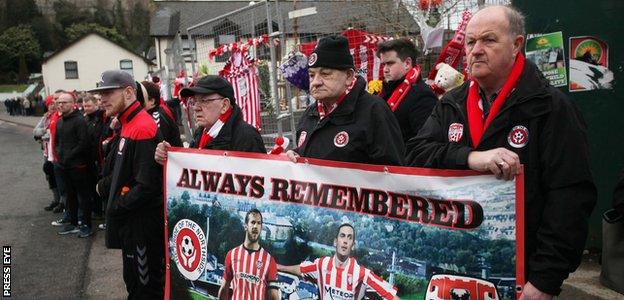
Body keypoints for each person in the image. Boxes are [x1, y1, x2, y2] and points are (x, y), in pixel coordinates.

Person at [406, 5, 596, 298]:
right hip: (458, 262)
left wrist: (545, 279)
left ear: (517, 45)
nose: (476, 50)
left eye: (489, 40)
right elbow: (416, 153)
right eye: (471, 42)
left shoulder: (550, 108)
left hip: (524, 277)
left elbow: (570, 199)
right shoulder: (451, 103)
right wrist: (471, 157)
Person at [90, 70, 164, 298]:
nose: (101, 99)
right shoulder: (127, 124)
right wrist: (106, 187)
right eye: (100, 94)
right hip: (132, 225)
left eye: (108, 93)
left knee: (144, 289)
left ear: (129, 92)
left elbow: (147, 186)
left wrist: (115, 205)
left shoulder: (141, 127)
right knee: (133, 283)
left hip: (141, 227)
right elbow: (125, 172)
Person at [285, 35, 404, 166]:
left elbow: (393, 173)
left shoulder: (374, 111)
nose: (315, 82)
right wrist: (297, 154)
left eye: (325, 74)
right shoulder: (310, 113)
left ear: (348, 76)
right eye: (312, 75)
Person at [154, 75, 265, 165]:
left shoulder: (246, 136)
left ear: (224, 105)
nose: (196, 108)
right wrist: (170, 158)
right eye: (194, 101)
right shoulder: (202, 132)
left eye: (204, 101)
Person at [278, 224, 399, 300]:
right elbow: (301, 269)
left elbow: (390, 295)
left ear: (353, 246)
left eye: (349, 237)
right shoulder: (322, 265)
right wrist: (279, 267)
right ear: (335, 242)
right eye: (342, 236)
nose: (345, 241)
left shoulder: (362, 274)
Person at [377, 38, 437, 143]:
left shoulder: (422, 96)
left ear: (407, 63)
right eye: (383, 64)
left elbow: (425, 144)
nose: (385, 69)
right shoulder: (382, 91)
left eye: (390, 63)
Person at [54, 92, 93, 237]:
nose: (61, 104)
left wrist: (69, 156)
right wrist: (60, 155)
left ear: (72, 103)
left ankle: (86, 225)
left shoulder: (79, 121)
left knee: (83, 196)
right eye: (59, 102)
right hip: (64, 165)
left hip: (78, 165)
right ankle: (73, 222)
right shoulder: (60, 121)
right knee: (70, 196)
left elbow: (83, 143)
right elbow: (57, 142)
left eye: (64, 102)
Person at [218, 209, 279, 300]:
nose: (255, 226)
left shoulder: (269, 260)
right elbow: (224, 288)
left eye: (259, 223)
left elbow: (274, 296)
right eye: (253, 222)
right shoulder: (232, 255)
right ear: (245, 226)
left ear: (261, 227)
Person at [139, 81, 182, 147]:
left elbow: (155, 146)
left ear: (152, 101)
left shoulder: (156, 116)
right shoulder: (159, 110)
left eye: (140, 97)